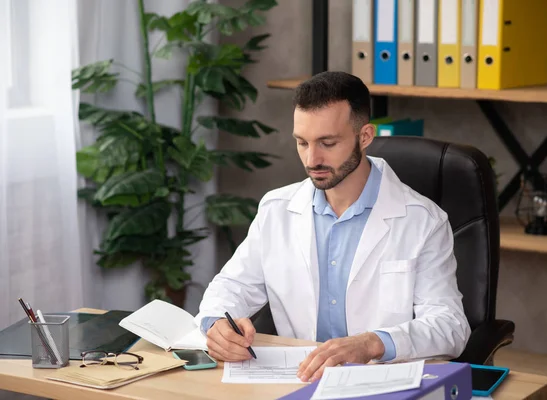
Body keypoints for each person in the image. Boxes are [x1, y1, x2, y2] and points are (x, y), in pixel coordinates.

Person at [196, 71, 471, 383]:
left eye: (327, 143)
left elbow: (450, 326)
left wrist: (372, 343)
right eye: (302, 143)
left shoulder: (422, 220)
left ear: (365, 136)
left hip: (379, 383)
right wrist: (216, 322)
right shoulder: (276, 209)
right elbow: (232, 287)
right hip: (298, 382)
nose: (312, 159)